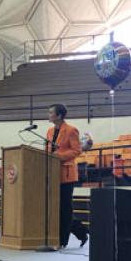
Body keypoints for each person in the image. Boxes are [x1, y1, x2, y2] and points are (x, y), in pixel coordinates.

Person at [47, 104, 88, 249]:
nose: (48, 114)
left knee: (65, 208)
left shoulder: (71, 130)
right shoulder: (49, 131)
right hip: (52, 174)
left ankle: (62, 241)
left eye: (51, 112)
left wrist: (59, 156)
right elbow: (48, 150)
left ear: (59, 115)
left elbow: (77, 150)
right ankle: (81, 232)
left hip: (66, 174)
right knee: (58, 208)